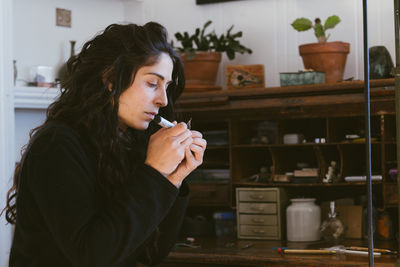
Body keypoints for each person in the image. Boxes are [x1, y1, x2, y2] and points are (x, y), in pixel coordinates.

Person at [2, 22, 206, 267]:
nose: (163, 100)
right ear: (111, 78)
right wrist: (155, 172)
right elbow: (92, 256)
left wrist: (174, 178)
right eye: (153, 83)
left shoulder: (129, 143)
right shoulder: (57, 146)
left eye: (167, 87)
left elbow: (149, 255)